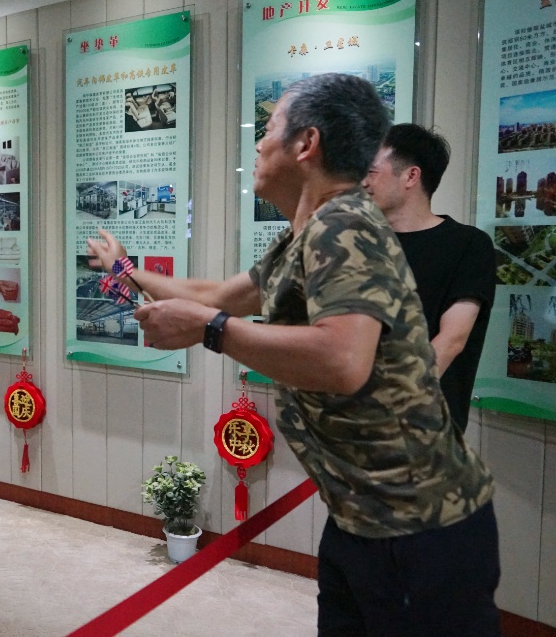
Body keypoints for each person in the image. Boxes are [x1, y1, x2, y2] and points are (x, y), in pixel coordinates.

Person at [87, 73, 499, 636]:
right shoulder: (309, 234)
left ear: (307, 144)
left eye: (270, 128)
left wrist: (210, 330)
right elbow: (216, 295)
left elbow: (342, 359)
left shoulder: (346, 225)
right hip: (362, 515)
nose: (259, 144)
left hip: (418, 525)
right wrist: (126, 269)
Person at [361, 124, 496, 433]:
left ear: (411, 176)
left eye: (371, 171)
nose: (363, 182)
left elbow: (451, 340)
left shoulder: (468, 245)